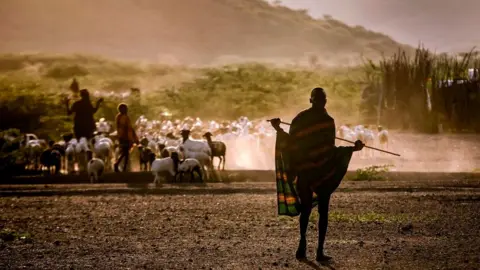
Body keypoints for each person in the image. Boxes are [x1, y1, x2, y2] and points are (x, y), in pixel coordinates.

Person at [270, 87, 364, 263]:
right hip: (322, 173)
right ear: (317, 101)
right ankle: (317, 250)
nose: (322, 103)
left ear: (311, 100)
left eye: (322, 100)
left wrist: (278, 130)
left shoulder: (304, 120)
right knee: (322, 211)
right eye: (321, 100)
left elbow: (292, 145)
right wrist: (352, 149)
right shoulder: (326, 121)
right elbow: (330, 151)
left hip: (306, 172)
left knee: (307, 209)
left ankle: (304, 246)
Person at [113, 103, 139, 173]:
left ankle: (123, 167)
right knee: (125, 153)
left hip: (124, 137)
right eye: (125, 109)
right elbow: (127, 128)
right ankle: (117, 165)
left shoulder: (120, 116)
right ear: (121, 109)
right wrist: (132, 138)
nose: (126, 110)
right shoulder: (123, 117)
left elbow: (130, 128)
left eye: (126, 109)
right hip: (125, 138)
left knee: (126, 153)